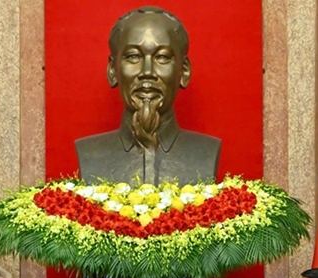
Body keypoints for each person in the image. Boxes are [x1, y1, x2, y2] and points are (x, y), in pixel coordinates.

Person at [75, 5, 221, 185]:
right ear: (113, 70)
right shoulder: (90, 153)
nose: (147, 72)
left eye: (162, 57)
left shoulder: (207, 152)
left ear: (184, 71)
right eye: (133, 56)